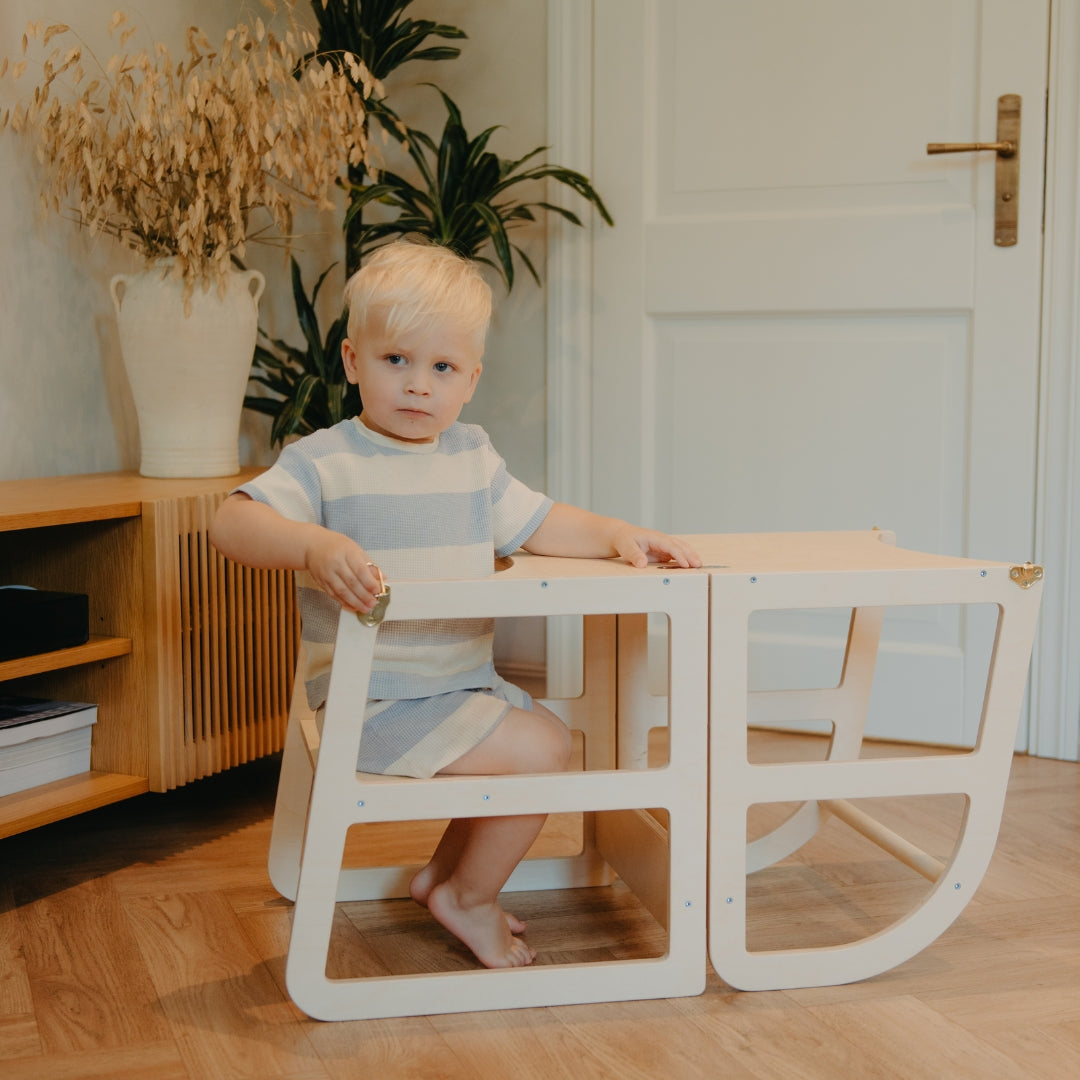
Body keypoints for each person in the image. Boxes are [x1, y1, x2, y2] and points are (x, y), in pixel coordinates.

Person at [210, 240, 701, 969]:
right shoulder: (325, 460)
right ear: (353, 362)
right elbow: (231, 521)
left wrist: (617, 534)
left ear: (469, 380)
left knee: (545, 729)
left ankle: (444, 879)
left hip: (459, 685)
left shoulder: (471, 457)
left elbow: (541, 522)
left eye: (441, 368)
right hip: (372, 701)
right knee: (545, 753)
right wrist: (313, 546)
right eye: (395, 361)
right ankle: (469, 896)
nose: (417, 386)